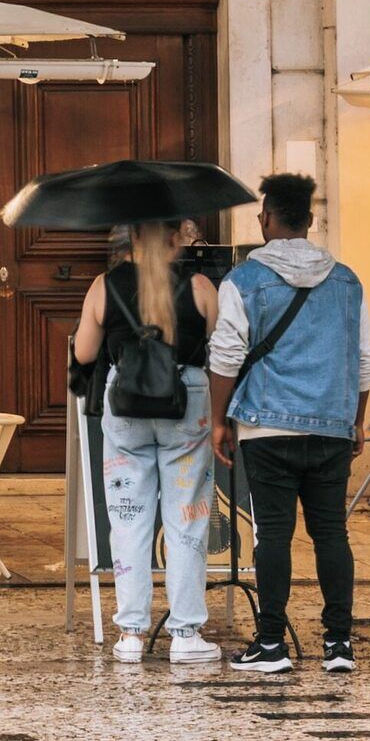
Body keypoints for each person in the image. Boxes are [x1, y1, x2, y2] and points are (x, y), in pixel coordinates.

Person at [206, 172, 370, 676]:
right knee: (331, 534)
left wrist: (218, 421)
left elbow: (226, 354)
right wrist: (356, 421)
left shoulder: (242, 281)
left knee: (272, 534)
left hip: (266, 426)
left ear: (266, 219)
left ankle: (271, 642)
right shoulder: (347, 280)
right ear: (310, 221)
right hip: (331, 424)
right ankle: (339, 644)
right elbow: (364, 359)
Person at [76, 218, 223, 664]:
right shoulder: (200, 286)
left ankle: (131, 635)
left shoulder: (105, 285)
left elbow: (84, 353)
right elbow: (225, 347)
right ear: (177, 237)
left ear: (132, 236)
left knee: (128, 522)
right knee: (187, 519)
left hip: (127, 405)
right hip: (186, 405)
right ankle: (184, 634)